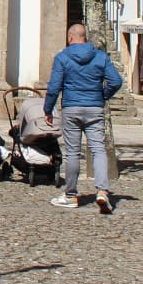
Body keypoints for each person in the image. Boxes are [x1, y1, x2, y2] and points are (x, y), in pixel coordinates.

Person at [44, 23, 124, 213]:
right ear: (85, 37)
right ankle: (102, 191)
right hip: (94, 107)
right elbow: (116, 81)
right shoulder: (100, 56)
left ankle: (71, 194)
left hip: (71, 107)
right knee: (98, 149)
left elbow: (54, 87)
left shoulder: (62, 57)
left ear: (70, 37)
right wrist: (103, 95)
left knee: (72, 153)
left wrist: (48, 109)